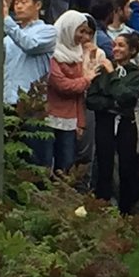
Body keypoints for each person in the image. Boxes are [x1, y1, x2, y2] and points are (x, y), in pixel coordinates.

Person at [88, 32, 139, 214]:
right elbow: (91, 99)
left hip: (125, 124)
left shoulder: (137, 75)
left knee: (127, 164)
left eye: (121, 45)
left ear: (132, 50)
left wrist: (113, 77)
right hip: (105, 123)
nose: (116, 49)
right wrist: (111, 104)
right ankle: (103, 204)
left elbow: (127, 97)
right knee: (104, 162)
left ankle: (126, 208)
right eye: (114, 45)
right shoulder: (103, 69)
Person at [44, 10, 100, 173]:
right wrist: (86, 80)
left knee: (66, 164)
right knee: (47, 163)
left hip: (69, 121)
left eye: (87, 32)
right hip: (49, 116)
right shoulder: (52, 53)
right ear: (68, 28)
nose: (83, 37)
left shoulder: (77, 55)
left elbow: (78, 95)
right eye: (80, 31)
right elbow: (61, 84)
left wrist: (80, 122)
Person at [2, 0, 58, 117]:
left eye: (23, 2)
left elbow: (29, 45)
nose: (19, 6)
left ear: (37, 5)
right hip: (7, 100)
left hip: (32, 101)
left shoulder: (48, 31)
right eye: (16, 3)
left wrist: (6, 18)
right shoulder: (8, 38)